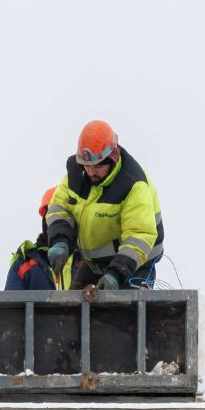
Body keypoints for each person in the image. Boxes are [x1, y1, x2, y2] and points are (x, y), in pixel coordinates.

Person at [45, 120, 164, 290]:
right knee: (72, 305)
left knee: (124, 307)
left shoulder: (133, 185)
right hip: (95, 263)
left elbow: (139, 235)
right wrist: (59, 240)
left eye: (97, 166)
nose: (90, 171)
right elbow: (60, 208)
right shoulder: (76, 174)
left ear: (113, 157)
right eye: (86, 166)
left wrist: (116, 274)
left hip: (136, 265)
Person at [5, 187, 72, 290]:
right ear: (44, 220)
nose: (57, 223)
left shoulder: (87, 258)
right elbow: (11, 299)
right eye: (51, 216)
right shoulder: (25, 263)